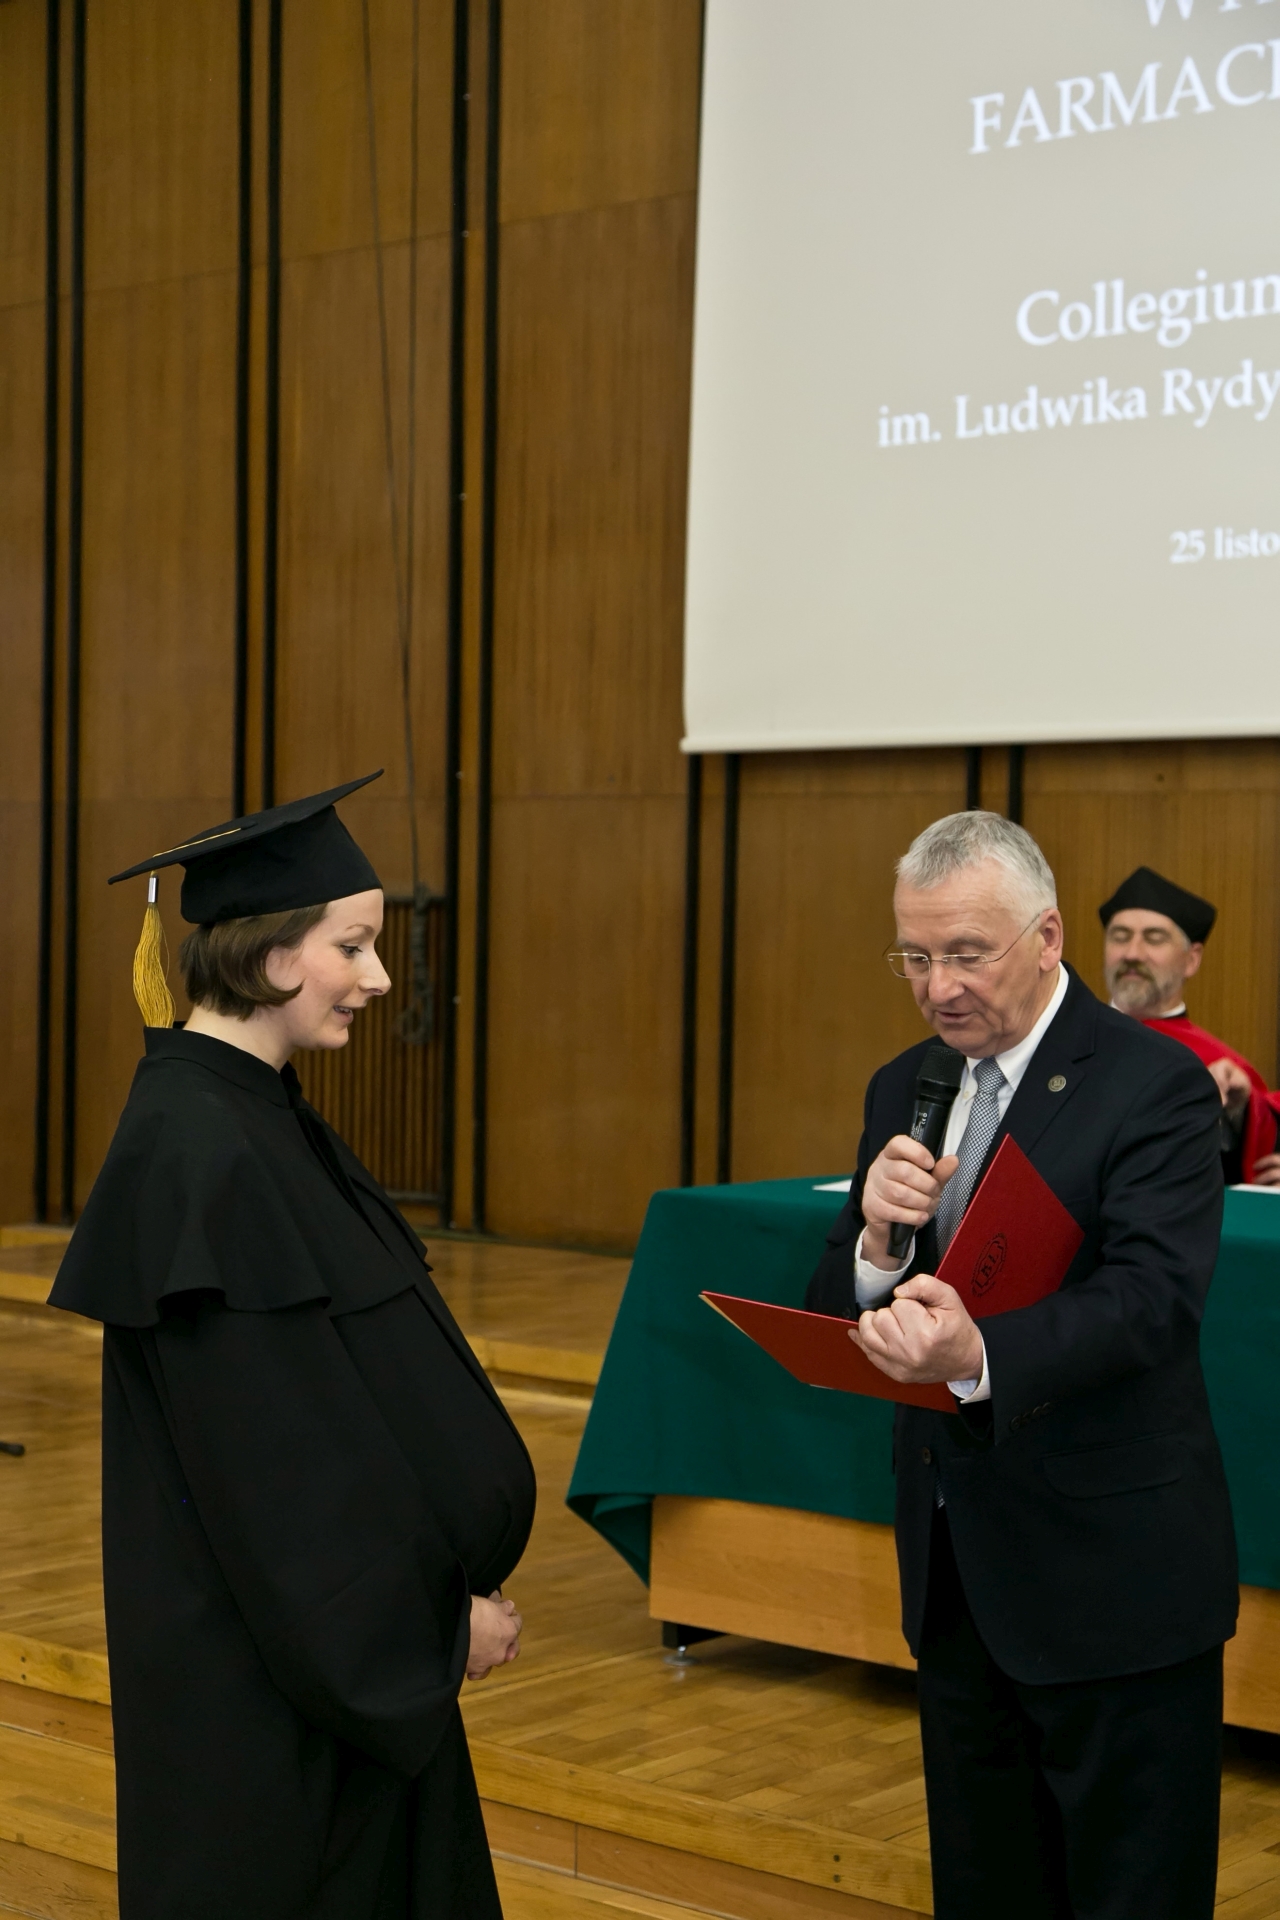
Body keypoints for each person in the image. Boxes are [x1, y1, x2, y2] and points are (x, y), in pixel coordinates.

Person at [52, 773, 536, 1920]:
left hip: (326, 1695)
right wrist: (425, 1635)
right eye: (352, 946)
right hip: (281, 1705)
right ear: (273, 958)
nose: (379, 978)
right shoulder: (199, 1150)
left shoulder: (253, 1109)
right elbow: (281, 1482)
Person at [808, 811, 1237, 1920]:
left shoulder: (1151, 1083)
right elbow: (840, 1301)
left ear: (1045, 938)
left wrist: (980, 1352)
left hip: (1114, 1576)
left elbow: (1153, 1300)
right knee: (985, 1885)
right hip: (957, 1573)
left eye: (966, 953)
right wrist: (876, 1245)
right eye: (914, 956)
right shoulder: (902, 1083)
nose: (938, 988)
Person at [1101, 864, 1280, 1185]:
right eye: (1120, 936)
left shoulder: (1218, 1063)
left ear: (1192, 959)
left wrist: (1237, 1115)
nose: (1132, 953)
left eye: (1154, 938)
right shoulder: (1064, 1038)